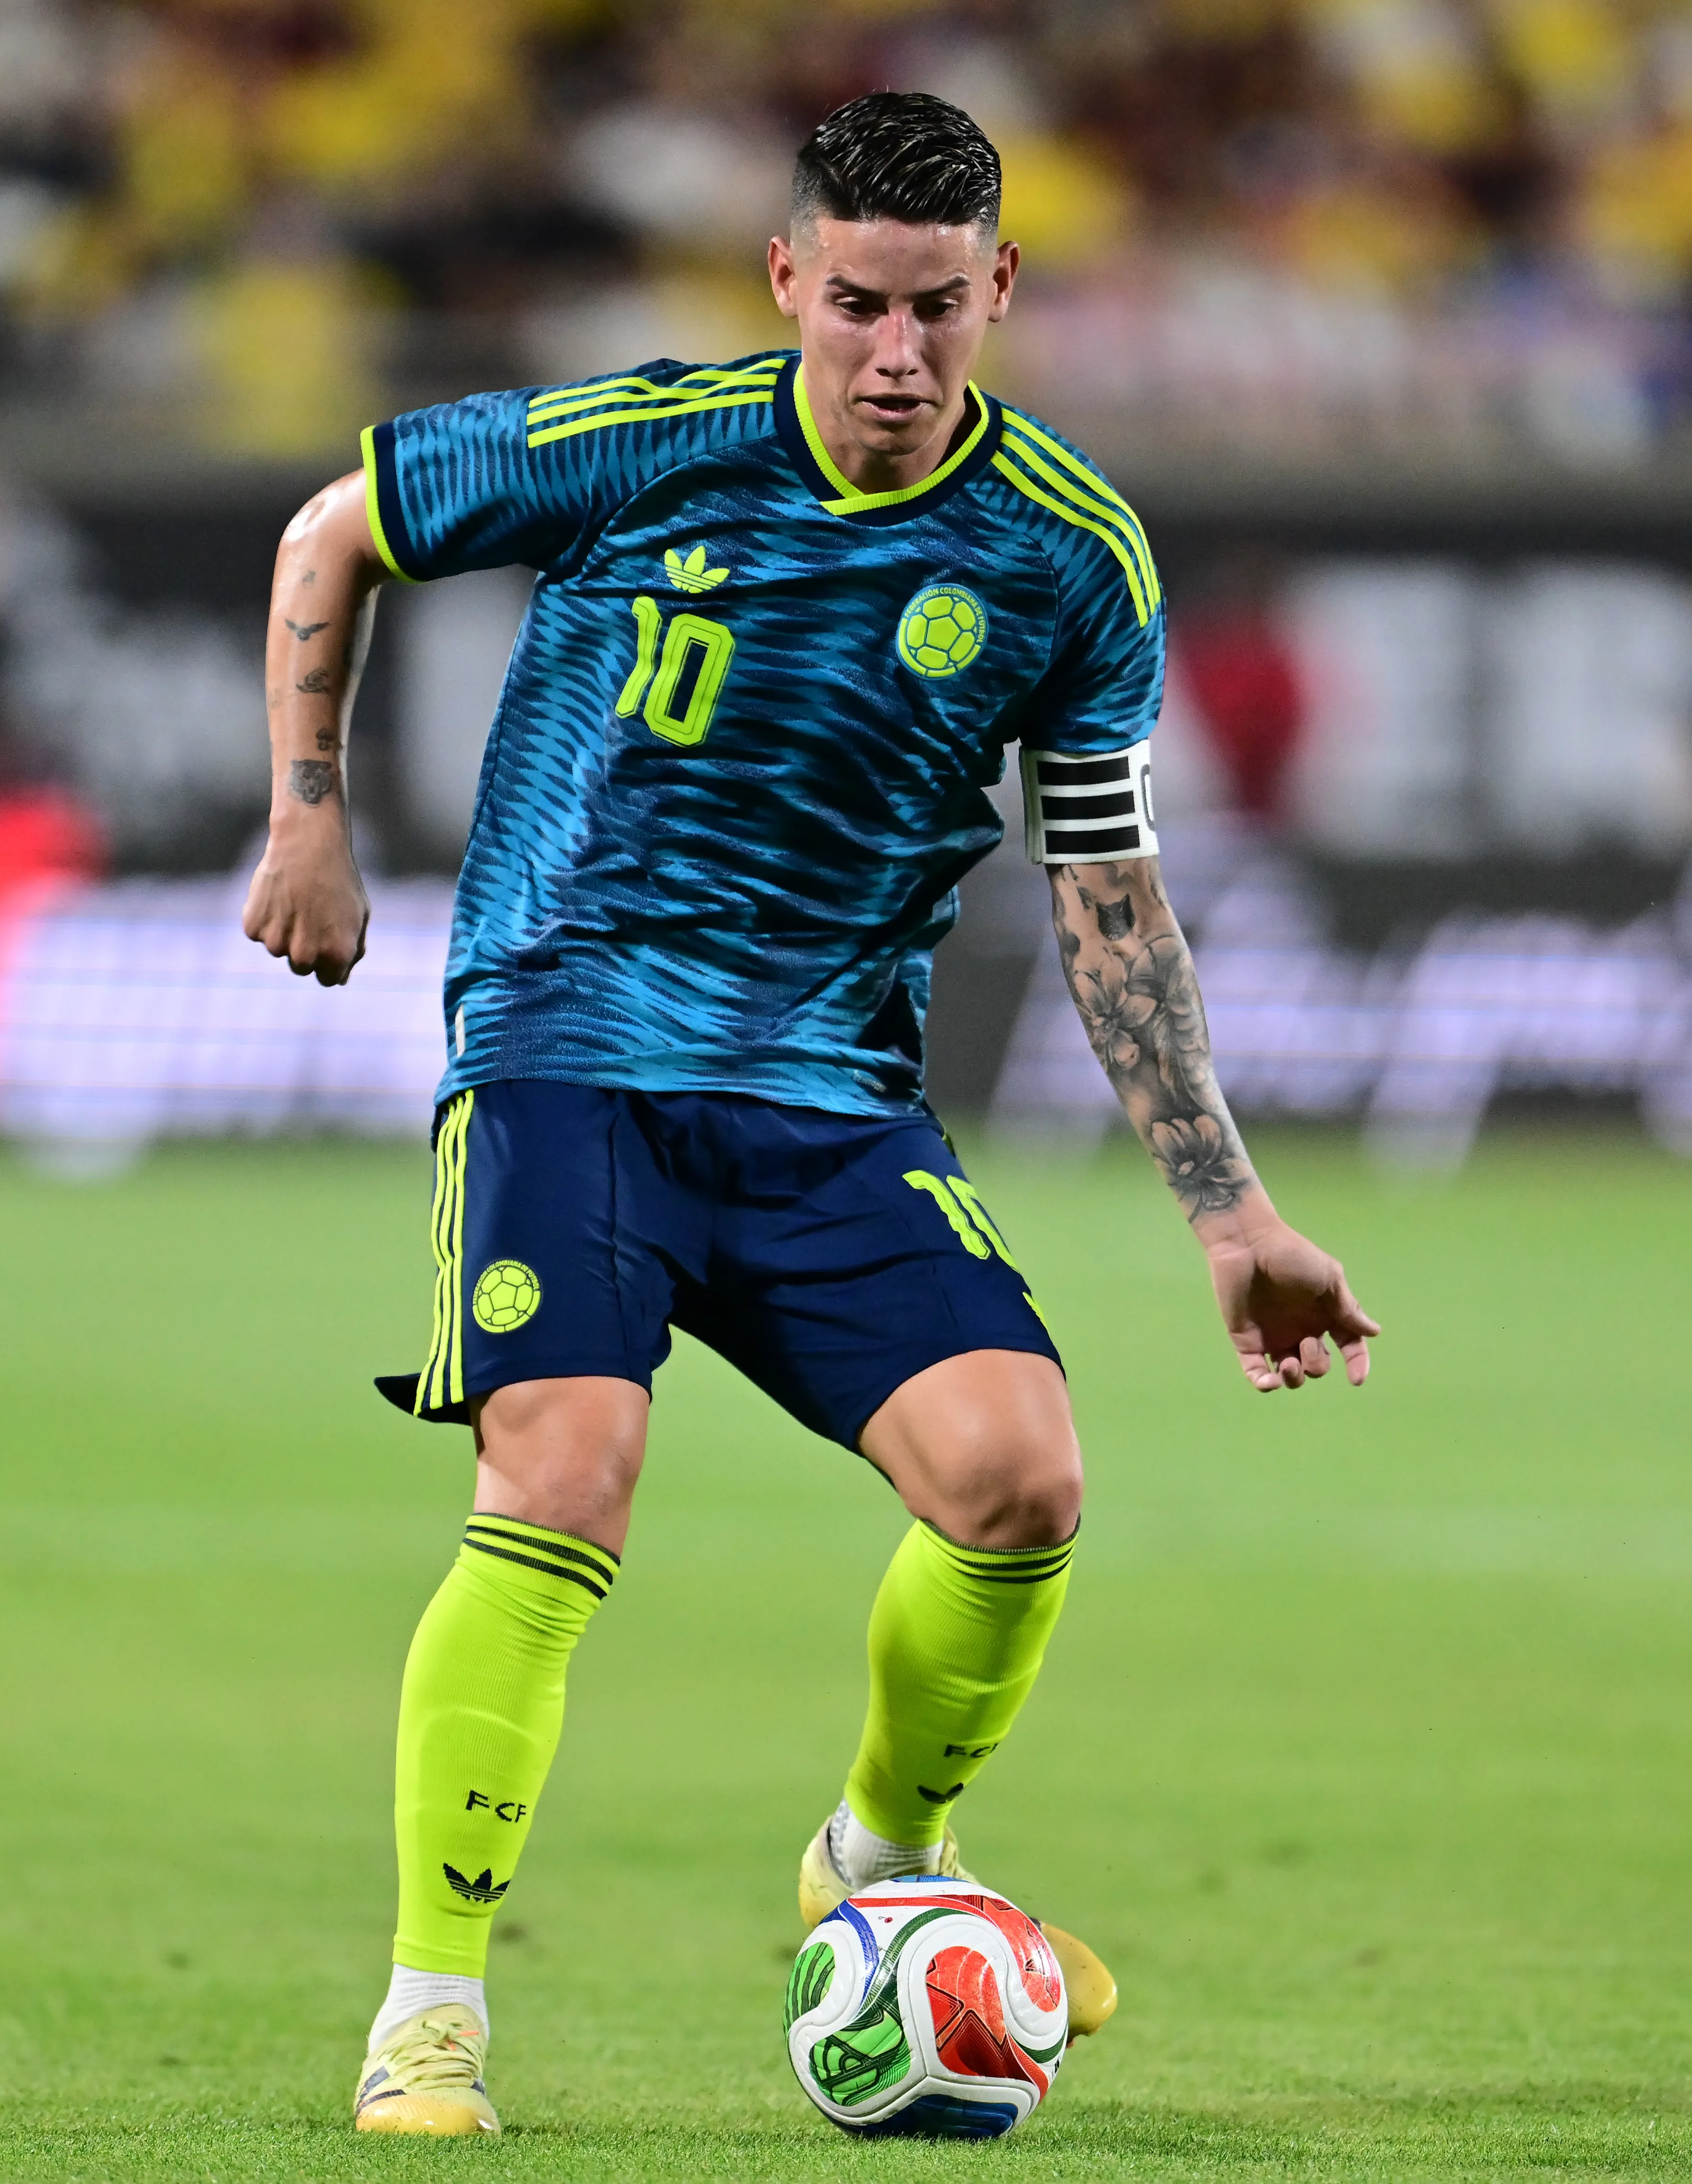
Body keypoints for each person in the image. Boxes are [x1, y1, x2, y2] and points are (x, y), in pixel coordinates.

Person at [240, 92, 1381, 2137]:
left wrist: (1230, 1212)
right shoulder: (645, 439)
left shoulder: (1061, 550)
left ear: (999, 293)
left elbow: (1106, 891)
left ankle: (873, 1851)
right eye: (851, 301)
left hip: (827, 1094)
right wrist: (307, 814)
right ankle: (428, 2007)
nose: (889, 352)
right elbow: (333, 528)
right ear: (783, 279)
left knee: (1019, 1475)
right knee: (564, 1462)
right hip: (566, 1050)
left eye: (935, 309)